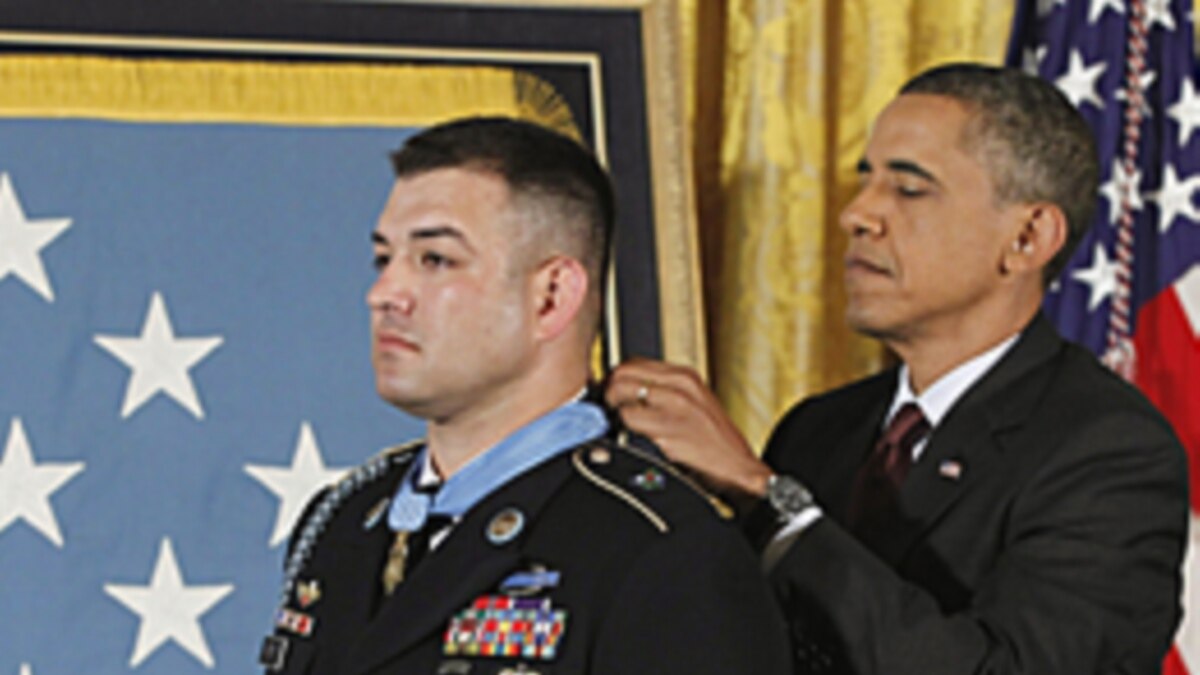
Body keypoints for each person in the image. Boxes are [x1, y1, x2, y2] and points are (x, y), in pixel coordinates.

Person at [607, 63, 1188, 674]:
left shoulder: (1109, 452)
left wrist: (765, 498)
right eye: (866, 182)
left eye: (909, 190)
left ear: (1028, 238)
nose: (857, 215)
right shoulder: (818, 429)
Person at [259, 117, 790, 675]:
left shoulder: (662, 551)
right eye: (383, 259)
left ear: (551, 297)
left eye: (435, 260)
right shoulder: (342, 519)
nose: (383, 294)